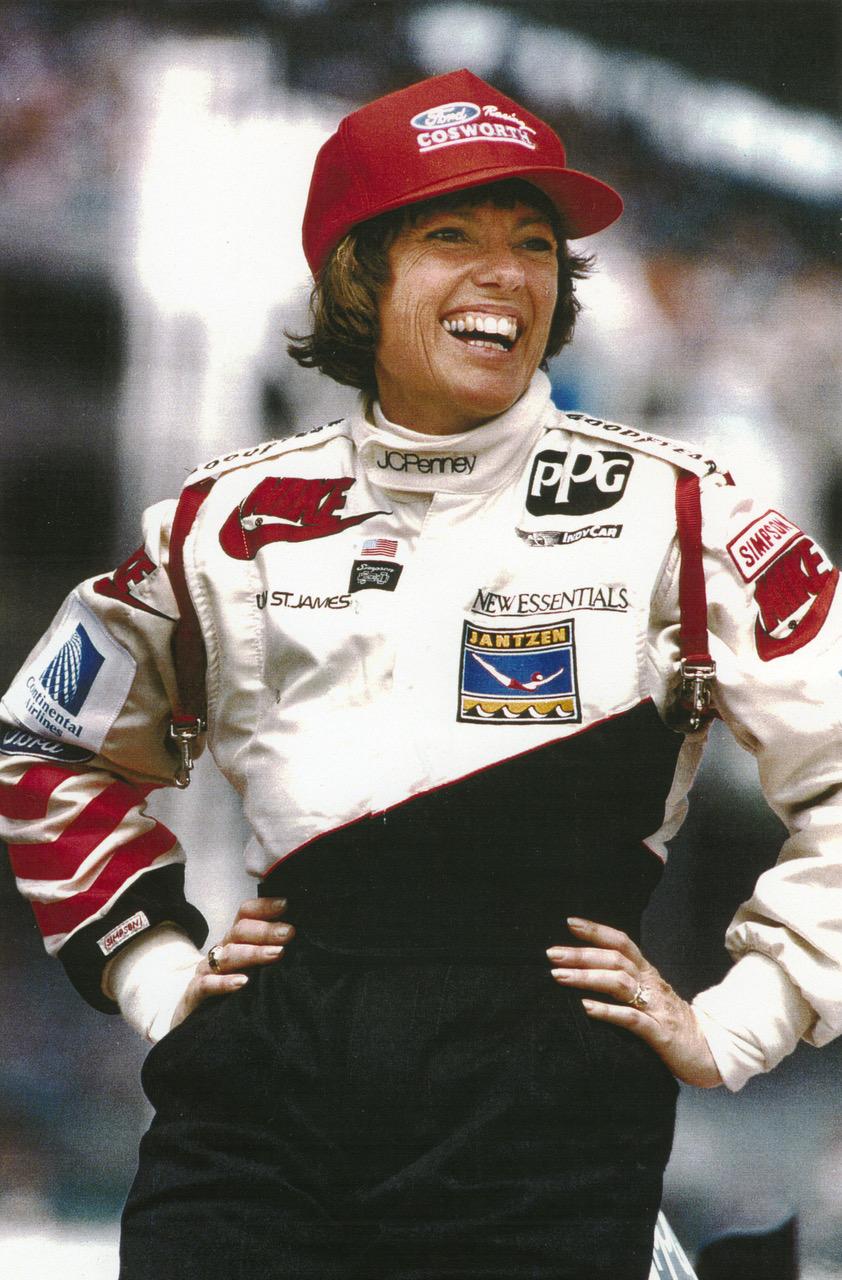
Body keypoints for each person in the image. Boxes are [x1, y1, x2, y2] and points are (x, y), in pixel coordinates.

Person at [1, 68, 840, 1279]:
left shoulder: (679, 514)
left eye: (532, 244)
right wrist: (152, 962)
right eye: (453, 236)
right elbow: (46, 744)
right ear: (359, 274)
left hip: (540, 1128)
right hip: (254, 1119)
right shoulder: (222, 523)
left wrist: (741, 1016)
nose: (505, 274)